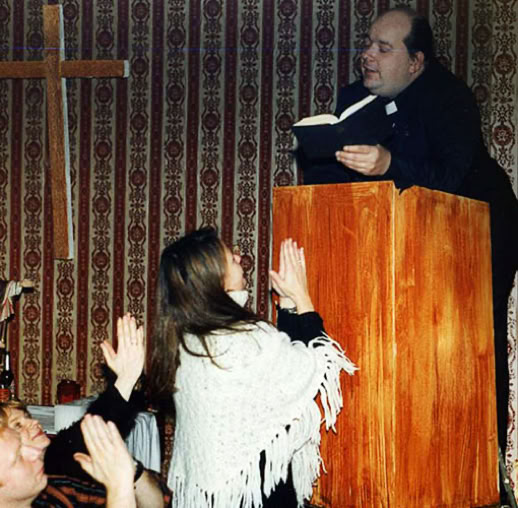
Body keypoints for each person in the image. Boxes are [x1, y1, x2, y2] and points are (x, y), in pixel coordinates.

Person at [299, 6, 518, 463]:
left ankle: (484, 462)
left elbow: (450, 177)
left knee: (470, 348)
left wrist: (389, 164)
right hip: (398, 236)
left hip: (478, 233)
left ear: (416, 62)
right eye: (368, 44)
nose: (367, 55)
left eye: (383, 48)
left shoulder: (450, 97)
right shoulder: (354, 98)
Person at [148, 227, 357, 508]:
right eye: (230, 258)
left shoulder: (190, 343)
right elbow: (317, 364)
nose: (239, 257)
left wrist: (286, 305)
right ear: (215, 278)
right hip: (258, 496)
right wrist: (303, 297)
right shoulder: (242, 338)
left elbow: (279, 377)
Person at [0, 313, 171, 507]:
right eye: (17, 427)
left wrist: (131, 471)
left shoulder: (56, 491)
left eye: (26, 417)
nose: (33, 422)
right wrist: (119, 489)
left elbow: (156, 503)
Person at [0, 411, 137, 507]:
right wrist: (119, 489)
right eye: (19, 456)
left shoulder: (53, 494)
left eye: (23, 445)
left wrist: (130, 473)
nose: (36, 453)